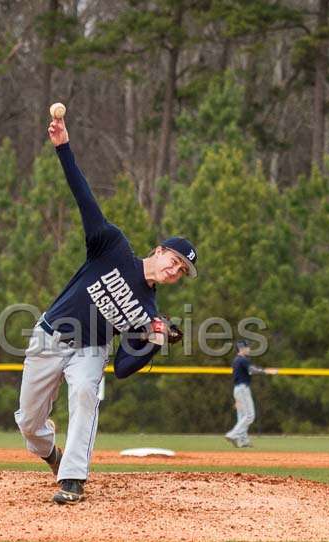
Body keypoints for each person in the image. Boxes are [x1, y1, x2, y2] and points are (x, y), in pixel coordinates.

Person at [14, 114, 198, 505]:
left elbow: (123, 368)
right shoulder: (112, 247)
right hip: (50, 334)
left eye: (181, 270)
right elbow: (84, 199)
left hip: (90, 350)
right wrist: (63, 148)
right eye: (174, 259)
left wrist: (153, 340)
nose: (174, 269)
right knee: (29, 421)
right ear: (159, 249)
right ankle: (51, 454)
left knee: (86, 391)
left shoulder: (147, 310)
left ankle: (73, 478)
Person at [224, 339, 276, 448]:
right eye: (247, 347)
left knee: (243, 416)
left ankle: (243, 440)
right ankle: (233, 434)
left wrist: (237, 399)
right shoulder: (242, 360)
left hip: (238, 390)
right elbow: (252, 370)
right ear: (242, 348)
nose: (249, 349)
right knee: (249, 416)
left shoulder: (236, 360)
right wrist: (266, 371)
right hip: (242, 389)